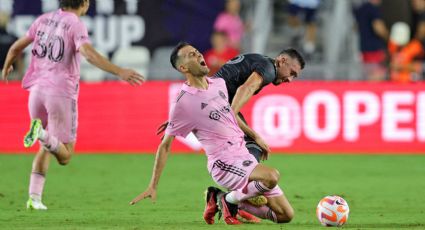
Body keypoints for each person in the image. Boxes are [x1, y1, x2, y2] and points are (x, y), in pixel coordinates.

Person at [130, 42, 302, 225]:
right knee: (271, 176)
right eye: (191, 55)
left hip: (241, 154)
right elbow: (165, 146)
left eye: (197, 52)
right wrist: (153, 185)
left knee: (285, 215)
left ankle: (228, 198)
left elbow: (227, 112)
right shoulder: (183, 102)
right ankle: (231, 199)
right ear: (183, 67)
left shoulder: (218, 84)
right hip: (224, 163)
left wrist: (253, 134)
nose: (199, 55)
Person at [1, 0, 144, 210]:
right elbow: (88, 53)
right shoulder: (75, 23)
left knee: (47, 145)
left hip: (36, 91)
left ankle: (34, 197)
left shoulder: (44, 19)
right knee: (65, 154)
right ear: (84, 3)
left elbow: (16, 47)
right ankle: (40, 133)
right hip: (59, 92)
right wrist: (119, 71)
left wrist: (7, 66)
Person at [353, 0, 389, 81]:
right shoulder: (373, 9)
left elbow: (355, 27)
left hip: (364, 51)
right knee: (376, 79)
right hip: (375, 50)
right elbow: (378, 28)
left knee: (367, 78)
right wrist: (388, 38)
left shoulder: (360, 9)